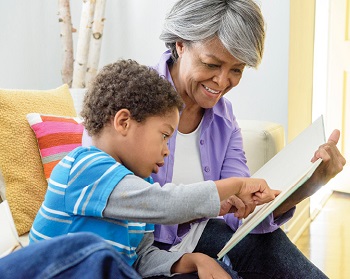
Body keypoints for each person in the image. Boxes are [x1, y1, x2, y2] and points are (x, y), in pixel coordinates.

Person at [81, 0, 346, 278]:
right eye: (211, 64)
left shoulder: (223, 116)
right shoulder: (128, 97)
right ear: (181, 45)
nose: (221, 82)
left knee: (267, 244)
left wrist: (309, 185)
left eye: (237, 70)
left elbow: (240, 213)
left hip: (195, 237)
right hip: (138, 249)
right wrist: (231, 189)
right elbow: (116, 193)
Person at [29, 59, 278, 278]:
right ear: (124, 122)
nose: (167, 150)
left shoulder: (140, 186)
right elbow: (166, 204)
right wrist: (237, 185)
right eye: (164, 136)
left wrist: (192, 260)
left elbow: (141, 259)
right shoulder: (84, 169)